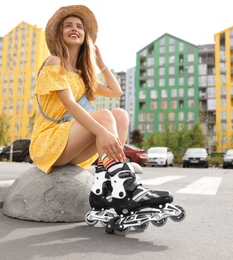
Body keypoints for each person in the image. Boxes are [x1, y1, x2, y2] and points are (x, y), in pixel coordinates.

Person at [30, 5, 172, 218]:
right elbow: (70, 104)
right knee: (105, 115)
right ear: (60, 33)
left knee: (121, 115)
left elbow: (117, 91)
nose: (74, 29)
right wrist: (102, 132)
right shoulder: (55, 62)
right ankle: (124, 188)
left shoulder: (82, 76)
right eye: (68, 26)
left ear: (86, 35)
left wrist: (101, 63)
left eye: (79, 26)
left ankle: (106, 183)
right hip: (48, 142)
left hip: (71, 144)